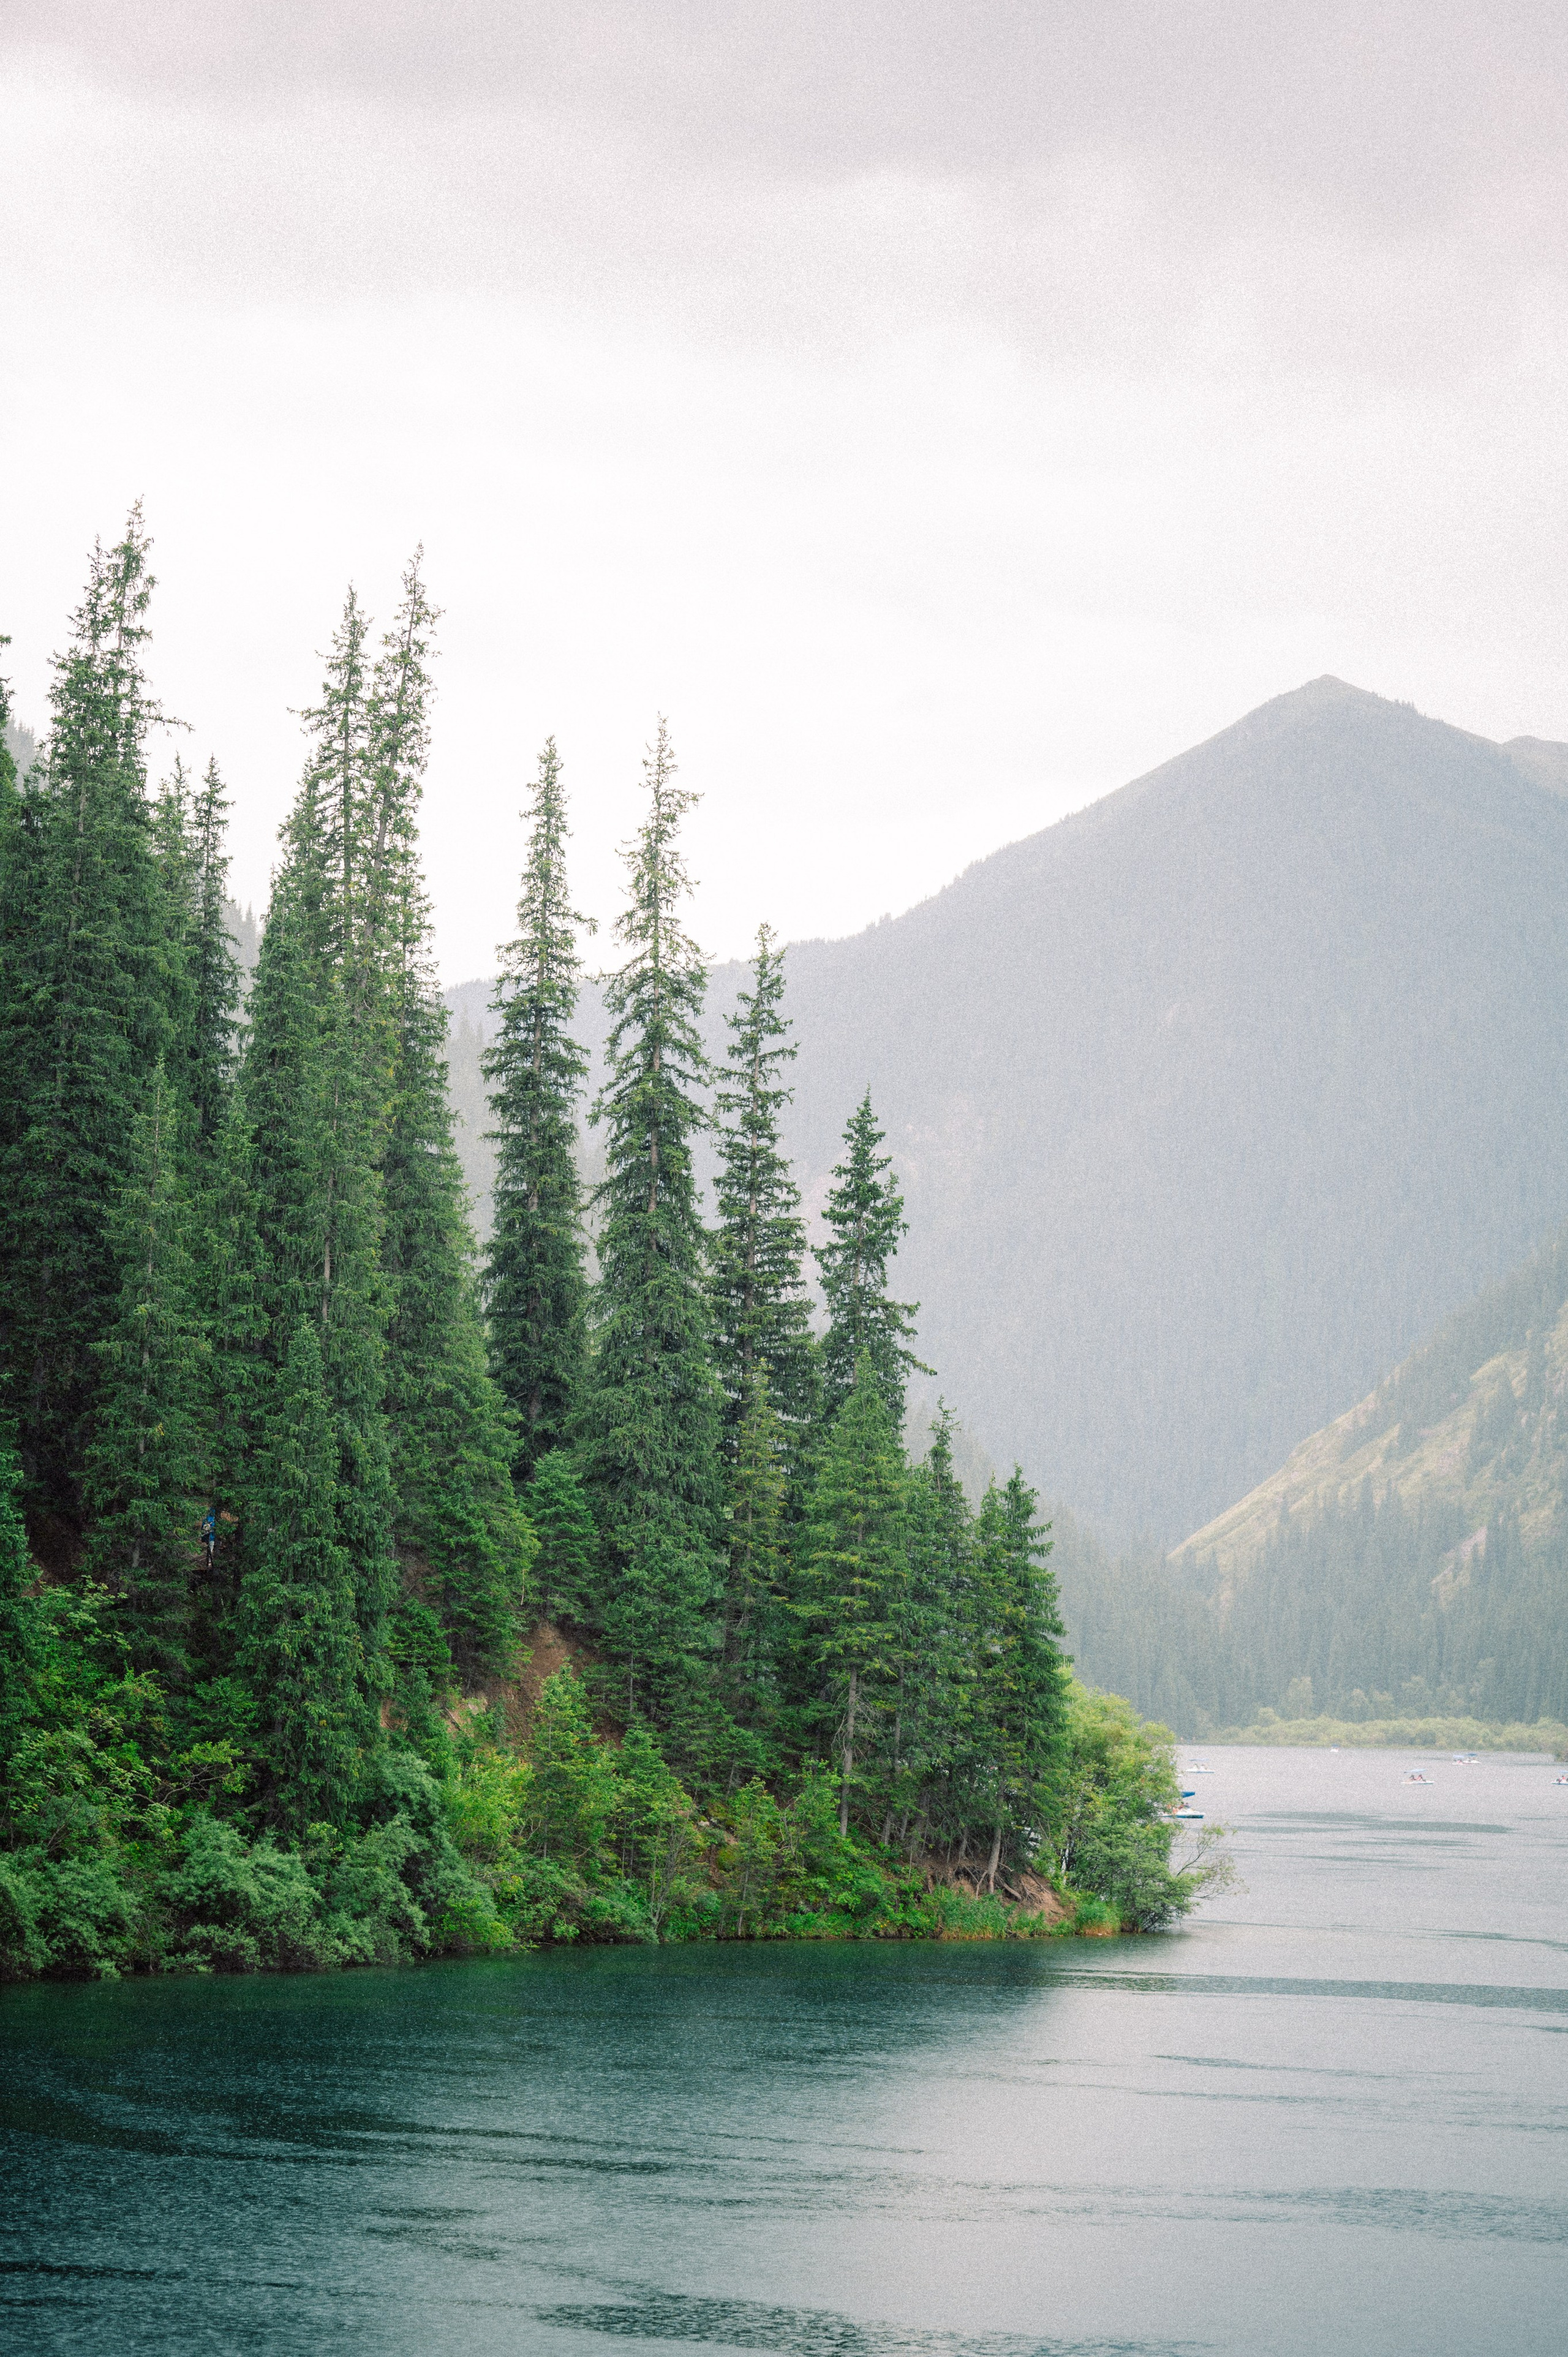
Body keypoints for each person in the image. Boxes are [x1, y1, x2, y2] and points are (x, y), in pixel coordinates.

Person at [201, 1507, 217, 1575]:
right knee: (211, 1548)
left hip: (208, 1537)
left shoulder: (206, 1519)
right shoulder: (215, 1520)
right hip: (212, 1537)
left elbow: (203, 1529)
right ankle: (210, 1562)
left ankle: (209, 1561)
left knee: (210, 1549)